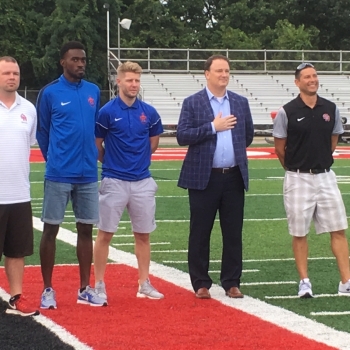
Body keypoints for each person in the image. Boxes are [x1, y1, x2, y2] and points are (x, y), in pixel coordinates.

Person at [176, 55, 254, 299]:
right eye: (219, 70)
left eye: (227, 71)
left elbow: (248, 135)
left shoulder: (240, 102)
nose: (224, 75)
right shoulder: (193, 102)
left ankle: (231, 281)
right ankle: (200, 282)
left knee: (233, 232)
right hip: (203, 177)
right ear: (206, 73)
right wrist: (212, 127)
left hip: (233, 176)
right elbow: (182, 135)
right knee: (200, 232)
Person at [36, 41, 106, 308]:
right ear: (63, 62)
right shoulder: (50, 92)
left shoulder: (93, 91)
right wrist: (53, 159)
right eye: (75, 59)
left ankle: (84, 288)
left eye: (83, 60)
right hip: (58, 173)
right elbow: (43, 131)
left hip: (88, 172)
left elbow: (94, 127)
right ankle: (47, 289)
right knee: (50, 229)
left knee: (85, 229)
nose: (81, 64)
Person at [273, 62, 350, 298]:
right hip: (298, 178)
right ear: (297, 82)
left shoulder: (330, 108)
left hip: (325, 176)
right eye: (306, 76)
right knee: (299, 232)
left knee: (338, 229)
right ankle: (304, 282)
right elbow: (280, 149)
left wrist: (320, 160)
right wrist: (297, 168)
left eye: (314, 75)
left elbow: (333, 140)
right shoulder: (287, 111)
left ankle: (346, 282)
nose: (312, 79)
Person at [93, 61, 164, 303]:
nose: (133, 84)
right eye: (129, 80)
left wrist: (139, 161)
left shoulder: (149, 112)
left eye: (137, 80)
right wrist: (112, 163)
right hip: (114, 180)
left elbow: (154, 142)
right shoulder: (106, 112)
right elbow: (97, 146)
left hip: (142, 180)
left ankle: (144, 282)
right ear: (118, 81)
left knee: (143, 234)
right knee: (105, 234)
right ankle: (99, 283)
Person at [0, 56, 39, 316]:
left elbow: (30, 143)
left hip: (19, 194)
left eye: (15, 73)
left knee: (16, 251)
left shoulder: (29, 109)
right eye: (6, 73)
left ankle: (16, 297)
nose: (12, 77)